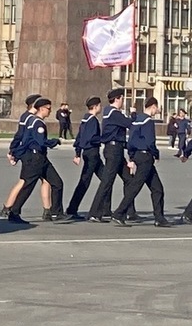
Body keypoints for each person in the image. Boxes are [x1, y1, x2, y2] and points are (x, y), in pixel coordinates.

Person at [111, 97, 170, 227]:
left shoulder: (137, 120)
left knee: (157, 188)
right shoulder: (148, 121)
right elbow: (150, 141)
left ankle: (159, 218)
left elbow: (131, 140)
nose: (157, 110)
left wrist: (132, 156)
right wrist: (156, 153)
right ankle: (119, 213)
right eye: (157, 108)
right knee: (135, 186)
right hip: (146, 157)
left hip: (138, 155)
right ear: (153, 107)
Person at [7, 98, 63, 222]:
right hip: (35, 158)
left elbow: (24, 139)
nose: (50, 111)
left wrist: (17, 153)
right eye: (48, 108)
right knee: (28, 186)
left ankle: (56, 212)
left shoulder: (31, 121)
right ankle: (14, 213)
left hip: (39, 158)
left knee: (57, 182)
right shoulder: (38, 123)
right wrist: (55, 141)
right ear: (41, 109)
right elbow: (41, 141)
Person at [87, 88, 137, 223]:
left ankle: (129, 211)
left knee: (129, 180)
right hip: (113, 150)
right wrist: (133, 114)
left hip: (117, 149)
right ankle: (95, 212)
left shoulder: (110, 112)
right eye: (122, 99)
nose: (122, 101)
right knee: (107, 182)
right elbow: (130, 124)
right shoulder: (113, 113)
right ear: (117, 99)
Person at [63, 96, 105, 221]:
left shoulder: (85, 119)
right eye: (99, 105)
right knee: (85, 182)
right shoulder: (92, 120)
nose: (100, 108)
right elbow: (92, 138)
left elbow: (80, 138)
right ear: (96, 106)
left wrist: (78, 153)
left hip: (88, 153)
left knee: (106, 179)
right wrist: (104, 139)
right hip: (92, 153)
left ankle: (103, 210)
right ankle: (74, 209)